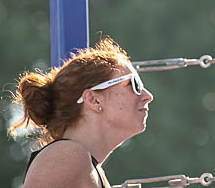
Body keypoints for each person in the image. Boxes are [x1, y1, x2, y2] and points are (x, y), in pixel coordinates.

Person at [10, 38, 153, 188]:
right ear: (93, 99)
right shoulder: (66, 156)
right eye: (134, 84)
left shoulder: (82, 163)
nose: (148, 96)